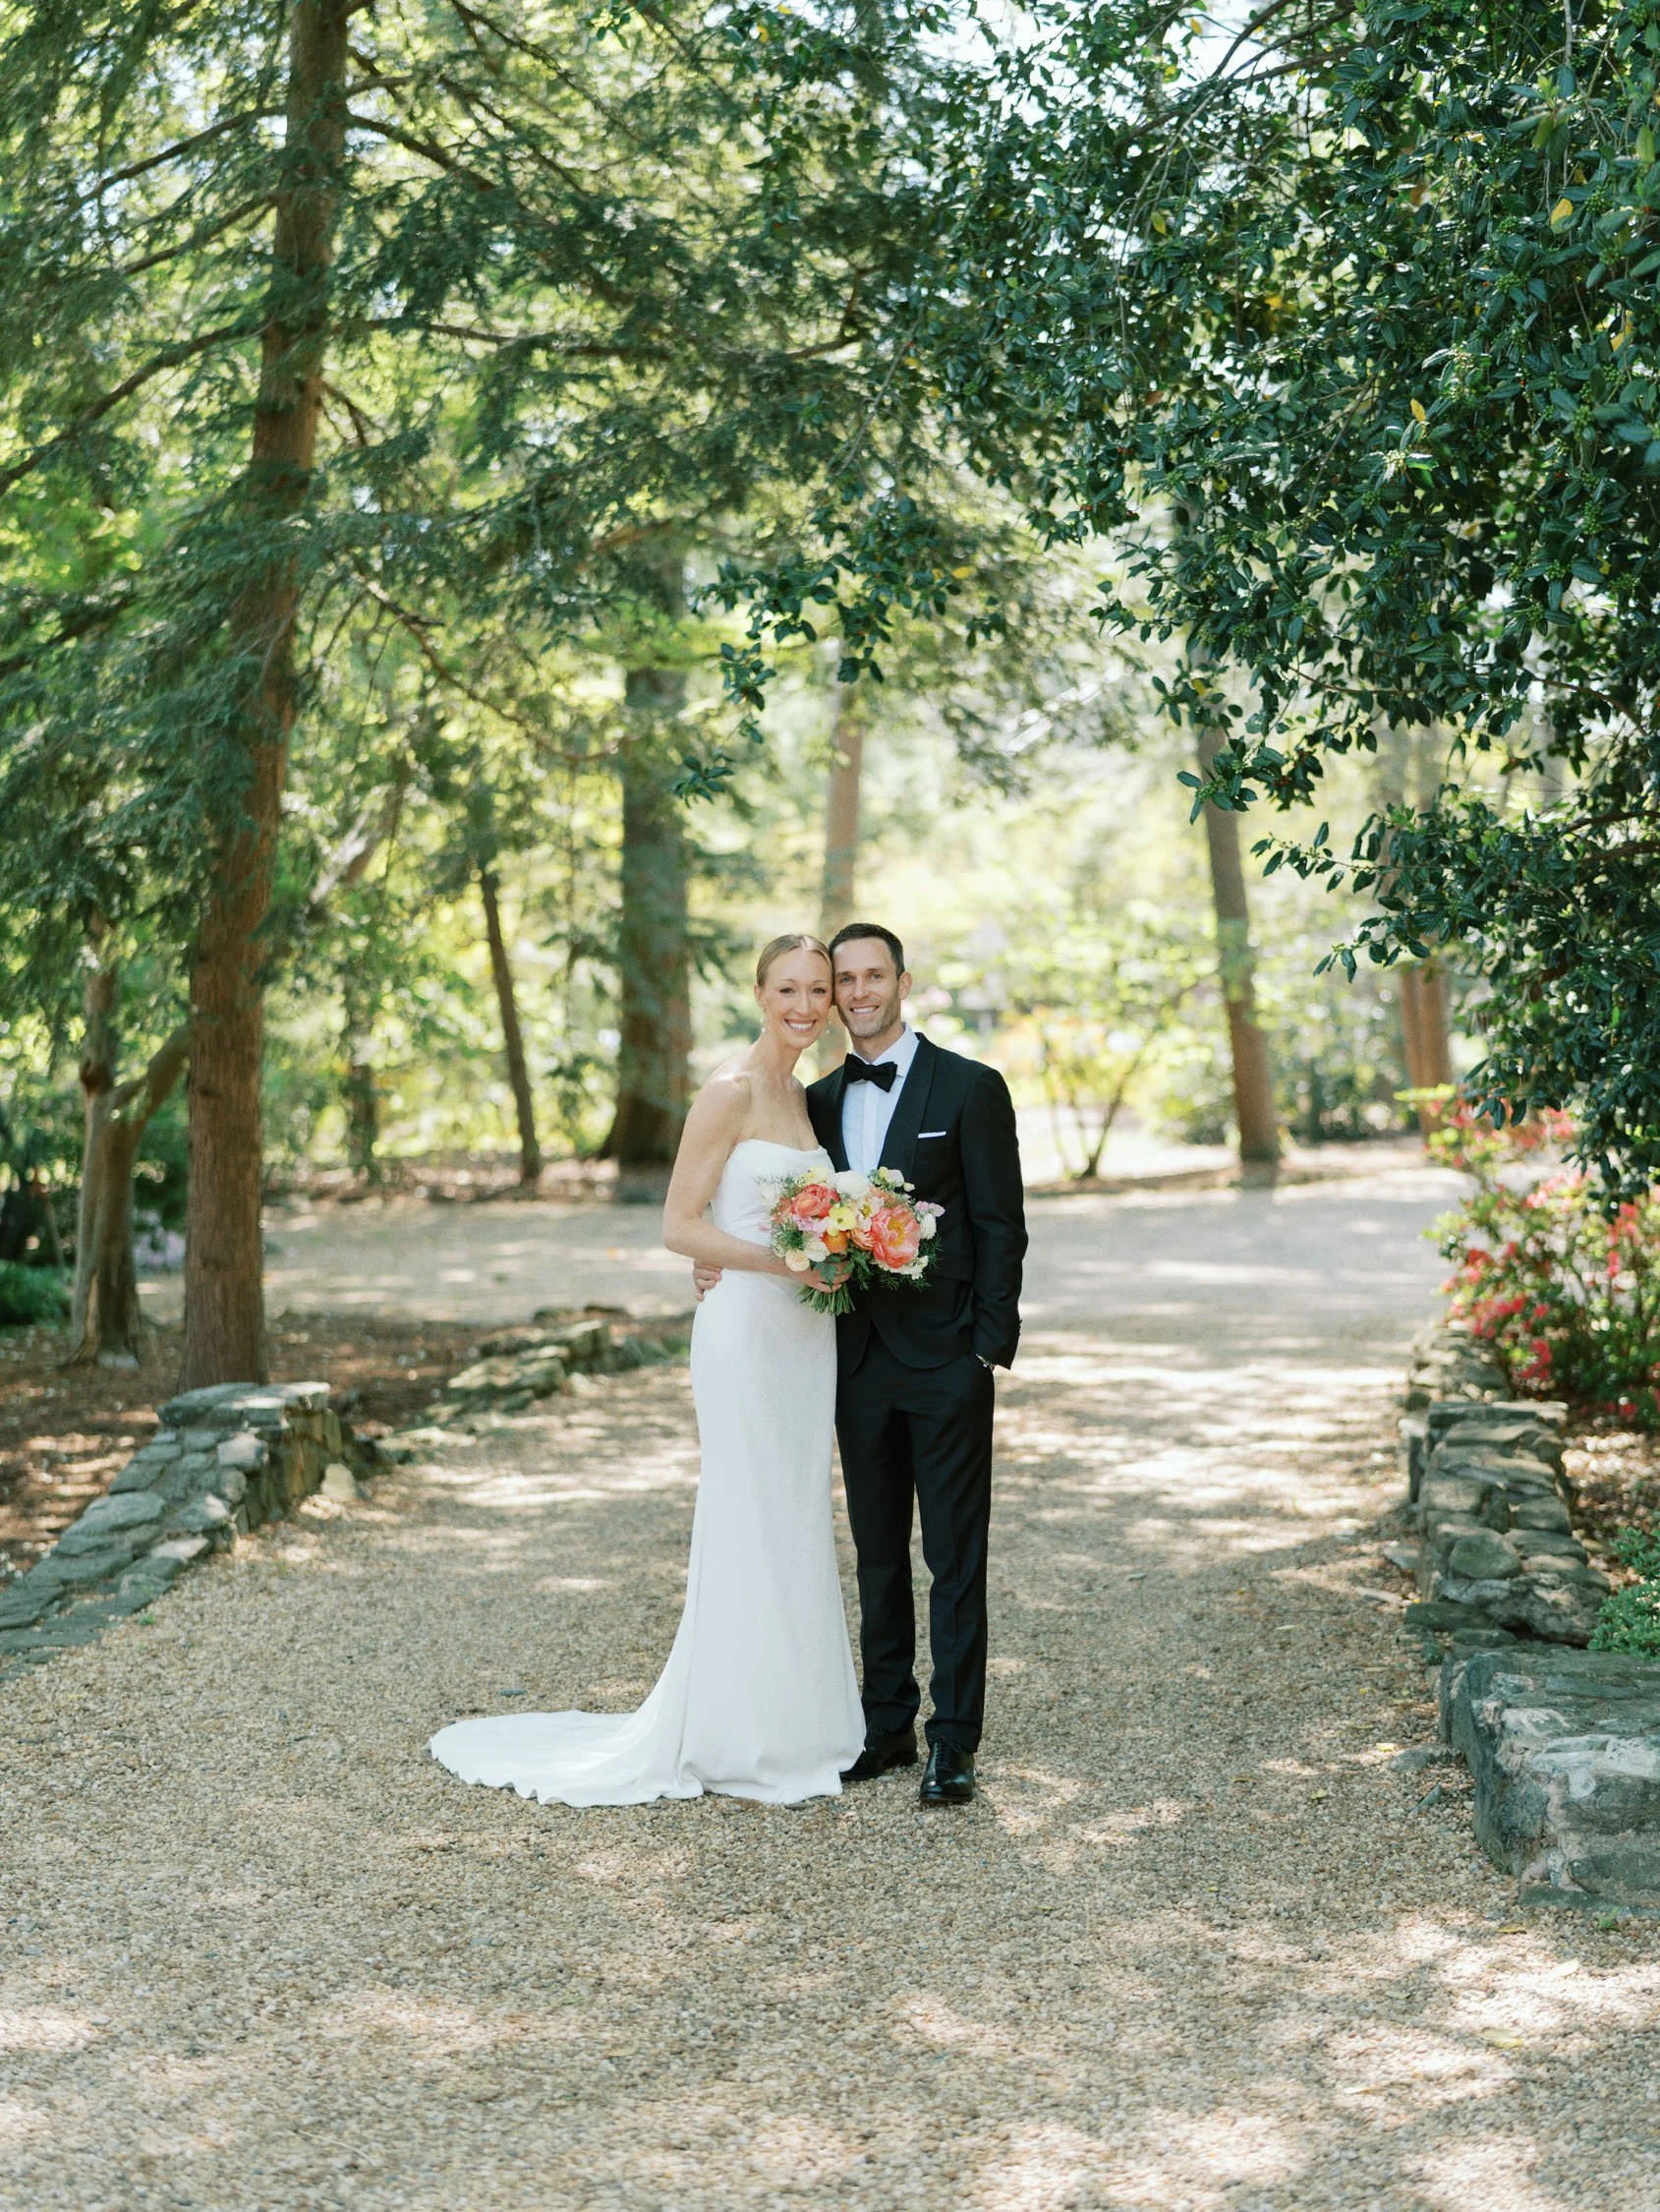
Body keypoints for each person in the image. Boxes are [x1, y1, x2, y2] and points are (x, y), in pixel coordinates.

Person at [429, 934, 864, 1806]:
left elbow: (788, 1217)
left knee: (793, 1512)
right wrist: (785, 1263)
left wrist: (844, 1248)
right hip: (744, 1331)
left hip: (805, 1337)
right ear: (758, 993)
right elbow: (678, 1227)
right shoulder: (730, 1092)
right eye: (789, 989)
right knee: (745, 1511)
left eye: (819, 991)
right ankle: (733, 1732)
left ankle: (804, 1721)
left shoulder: (809, 1097)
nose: (806, 1007)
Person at [695, 923, 1026, 1807]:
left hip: (947, 1357)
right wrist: (720, 1254)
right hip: (846, 1356)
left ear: (903, 982)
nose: (858, 991)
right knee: (876, 1555)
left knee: (954, 1558)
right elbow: (779, 1207)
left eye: (873, 975)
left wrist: (985, 1346)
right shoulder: (819, 1100)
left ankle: (952, 1740)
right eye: (844, 980)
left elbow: (1000, 1225)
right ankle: (886, 1724)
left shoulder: (970, 1087)